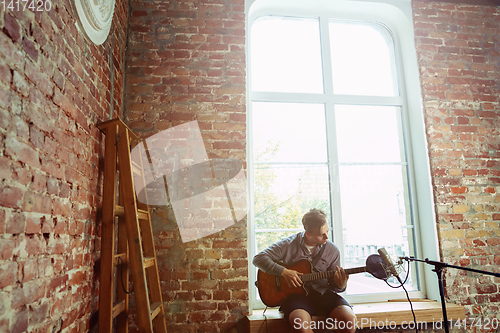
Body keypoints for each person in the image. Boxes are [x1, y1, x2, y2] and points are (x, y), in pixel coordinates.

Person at [253, 209, 357, 333]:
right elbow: (258, 259)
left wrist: (341, 285)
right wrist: (284, 272)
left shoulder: (333, 250)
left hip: (323, 294)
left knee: (350, 321)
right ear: (308, 233)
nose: (327, 237)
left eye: (327, 231)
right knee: (300, 326)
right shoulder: (288, 244)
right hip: (297, 296)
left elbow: (335, 285)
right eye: (321, 234)